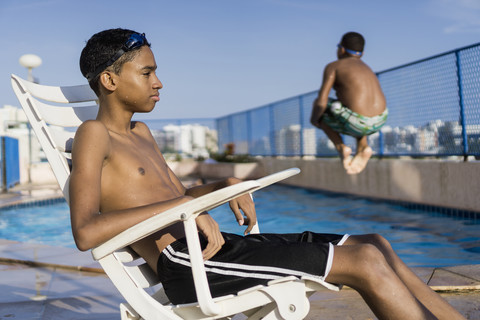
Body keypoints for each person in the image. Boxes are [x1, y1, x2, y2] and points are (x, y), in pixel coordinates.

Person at [70, 28, 464, 320]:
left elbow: (175, 193)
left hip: (215, 248)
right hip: (188, 264)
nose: (159, 82)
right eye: (146, 73)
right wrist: (184, 207)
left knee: (374, 242)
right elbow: (86, 230)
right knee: (363, 261)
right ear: (109, 80)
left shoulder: (142, 132)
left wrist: (224, 185)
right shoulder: (93, 134)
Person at [310, 32, 388, 174]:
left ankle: (341, 147)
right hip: (380, 120)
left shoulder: (334, 66)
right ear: (362, 53)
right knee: (355, 112)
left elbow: (322, 100)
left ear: (342, 49)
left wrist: (315, 120)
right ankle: (363, 148)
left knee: (320, 108)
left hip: (357, 121)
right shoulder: (368, 68)